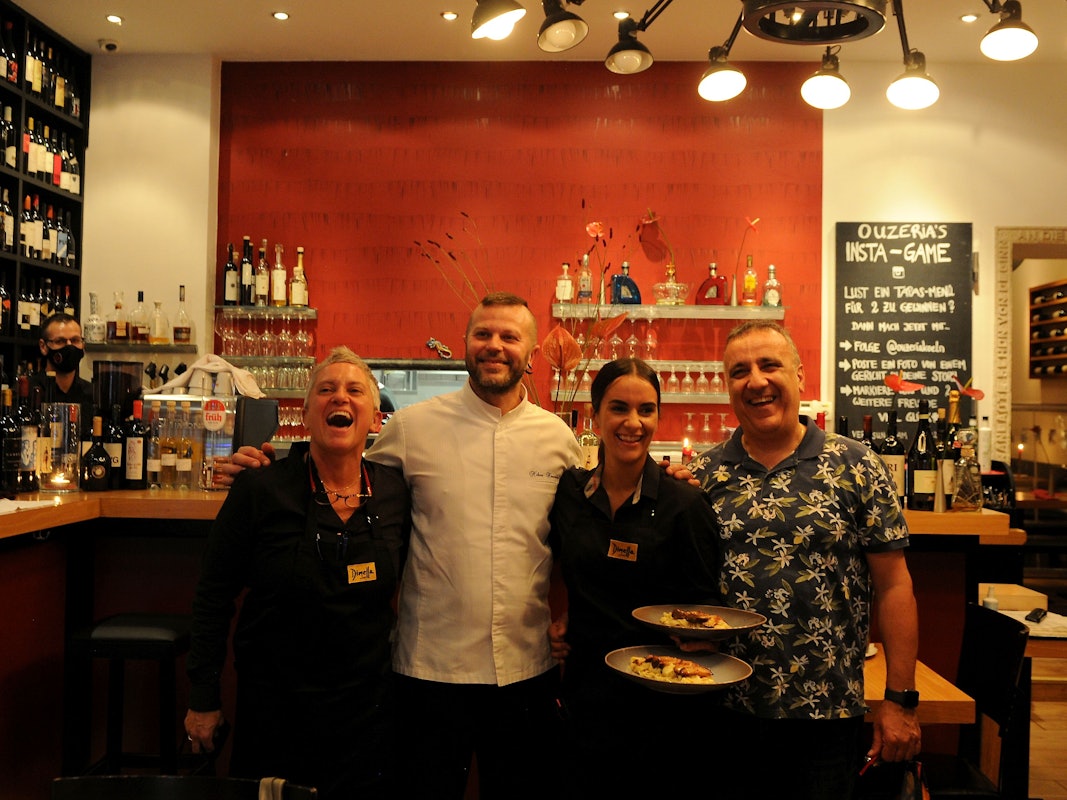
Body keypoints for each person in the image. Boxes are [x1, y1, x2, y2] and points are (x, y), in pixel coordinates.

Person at [225, 292, 582, 800]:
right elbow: (337, 461)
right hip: (429, 669)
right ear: (464, 345)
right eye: (482, 334)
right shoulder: (414, 428)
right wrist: (263, 464)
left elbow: (585, 527)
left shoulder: (557, 438)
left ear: (531, 352)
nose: (494, 346)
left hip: (526, 668)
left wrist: (669, 478)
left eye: (509, 337)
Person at [682, 320, 921, 800]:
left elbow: (895, 587)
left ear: (800, 375)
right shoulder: (701, 476)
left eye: (770, 365)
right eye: (739, 371)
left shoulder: (856, 464)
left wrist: (899, 702)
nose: (756, 381)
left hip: (827, 717)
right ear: (727, 387)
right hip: (724, 711)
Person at [184, 346, 411, 800]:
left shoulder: (396, 492)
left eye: (354, 391)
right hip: (276, 708)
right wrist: (203, 699)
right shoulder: (261, 487)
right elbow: (212, 596)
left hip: (366, 711)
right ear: (305, 414)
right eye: (325, 390)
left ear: (375, 419)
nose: (339, 399)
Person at [546, 357, 722, 797]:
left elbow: (705, 611)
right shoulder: (571, 493)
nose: (633, 422)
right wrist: (562, 620)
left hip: (663, 707)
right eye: (618, 408)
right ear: (595, 414)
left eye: (646, 410)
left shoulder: (684, 504)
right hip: (586, 698)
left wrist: (705, 643)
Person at [31, 313, 94, 436]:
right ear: (43, 346)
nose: (69, 346)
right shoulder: (29, 392)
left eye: (75, 340)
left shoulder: (92, 395)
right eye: (60, 341)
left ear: (83, 345)